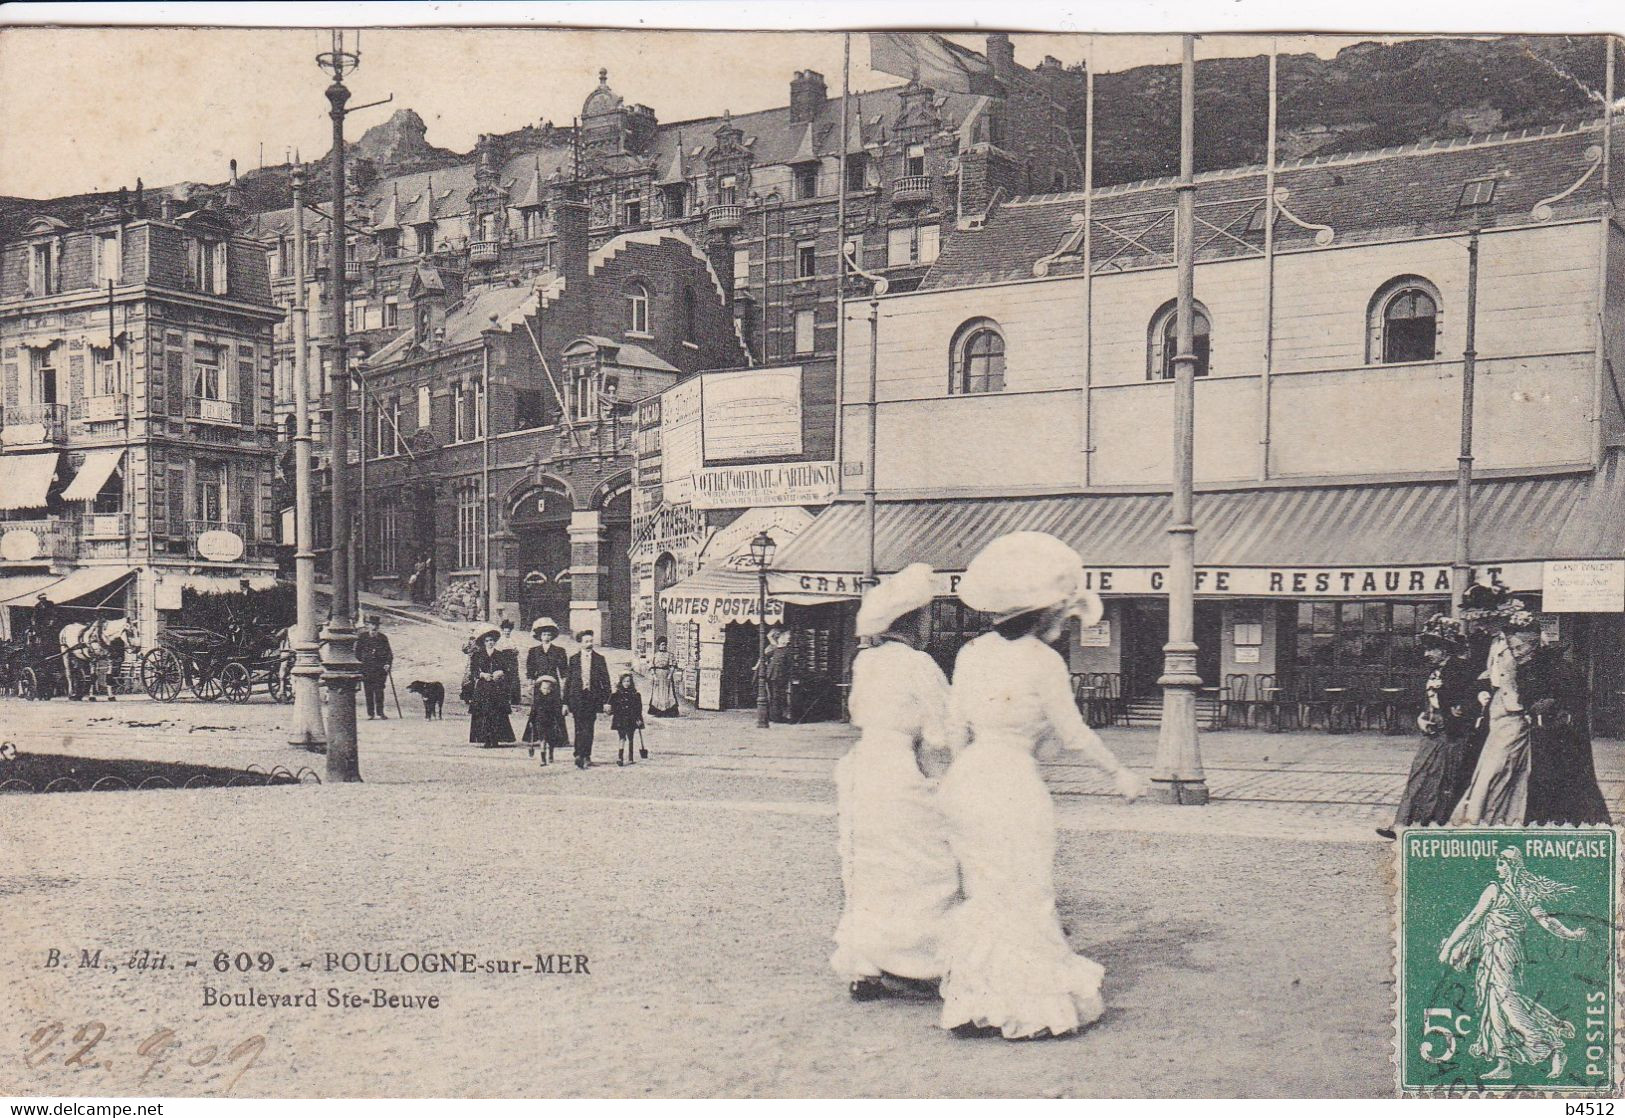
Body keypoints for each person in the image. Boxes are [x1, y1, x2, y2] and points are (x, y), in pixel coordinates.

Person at [937, 531, 1146, 1041]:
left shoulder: (971, 654)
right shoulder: (1043, 661)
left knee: (985, 890)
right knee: (1026, 888)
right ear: (1046, 613)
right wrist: (1117, 772)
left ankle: (976, 1001)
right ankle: (1030, 1005)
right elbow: (1073, 734)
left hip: (969, 780)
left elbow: (955, 729)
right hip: (1012, 782)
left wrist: (960, 780)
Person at [831, 562, 962, 1003]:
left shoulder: (865, 661)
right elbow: (941, 731)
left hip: (864, 768)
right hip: (905, 767)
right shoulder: (920, 665)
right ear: (917, 621)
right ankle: (922, 962)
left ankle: (866, 966)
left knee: (870, 867)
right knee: (924, 864)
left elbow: (856, 712)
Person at [1438, 847, 1586, 1080]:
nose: (1498, 868)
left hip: (1506, 952)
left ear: (1512, 865)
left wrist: (1570, 934)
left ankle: (1552, 1045)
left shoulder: (1505, 891)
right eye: (1498, 864)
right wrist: (1570, 934)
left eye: (1501, 863)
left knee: (1507, 1003)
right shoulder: (1504, 890)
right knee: (1494, 1005)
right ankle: (1503, 1062)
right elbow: (1472, 921)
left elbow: (1544, 921)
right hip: (1492, 952)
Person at [1378, 614, 1483, 838]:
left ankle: (1430, 825)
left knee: (1444, 778)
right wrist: (1422, 718)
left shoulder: (1462, 670)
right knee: (1419, 775)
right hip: (1431, 731)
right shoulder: (1435, 671)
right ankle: (1403, 824)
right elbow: (1428, 700)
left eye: (1432, 648)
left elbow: (1469, 701)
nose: (1427, 654)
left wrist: (1457, 713)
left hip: (1452, 733)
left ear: (1446, 648)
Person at [1453, 602, 1537, 825]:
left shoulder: (1521, 641)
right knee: (1490, 764)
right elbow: (1490, 673)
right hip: (1496, 708)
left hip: (1517, 710)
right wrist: (1482, 691)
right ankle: (1483, 815)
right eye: (1478, 622)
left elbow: (1533, 673)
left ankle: (1495, 815)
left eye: (1485, 621)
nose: (1481, 626)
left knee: (1502, 764)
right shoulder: (1494, 643)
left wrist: (1528, 703)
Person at [1518, 636, 1612, 825]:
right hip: (1549, 732)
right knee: (1552, 777)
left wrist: (1554, 706)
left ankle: (1559, 819)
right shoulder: (1533, 670)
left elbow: (1576, 699)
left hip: (1564, 733)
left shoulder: (1560, 670)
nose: (1519, 653)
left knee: (1561, 777)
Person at [565, 629, 612, 769]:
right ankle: (578, 754)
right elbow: (569, 681)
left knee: (589, 727)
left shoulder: (599, 659)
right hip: (577, 698)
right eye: (586, 641)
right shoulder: (573, 659)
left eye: (591, 641)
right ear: (580, 643)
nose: (589, 644)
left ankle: (587, 755)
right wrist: (565, 702)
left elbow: (606, 681)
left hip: (592, 698)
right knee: (578, 726)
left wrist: (607, 701)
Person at [466, 625, 516, 748]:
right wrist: (482, 674)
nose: (490, 643)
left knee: (496, 712)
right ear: (484, 642)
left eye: (492, 640)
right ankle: (485, 739)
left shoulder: (500, 655)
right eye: (487, 641)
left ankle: (496, 739)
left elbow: (507, 670)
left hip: (497, 687)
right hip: (483, 687)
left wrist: (500, 673)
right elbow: (473, 671)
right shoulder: (478, 655)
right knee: (484, 712)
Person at [356, 615, 394, 720]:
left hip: (380, 669)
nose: (374, 628)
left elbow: (389, 653)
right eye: (372, 625)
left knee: (379, 691)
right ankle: (370, 713)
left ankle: (380, 712)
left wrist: (387, 663)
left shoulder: (383, 638)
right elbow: (357, 652)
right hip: (366, 669)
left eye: (376, 625)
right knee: (368, 692)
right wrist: (360, 663)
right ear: (368, 625)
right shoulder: (362, 637)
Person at [526, 676, 567, 765]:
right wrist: (531, 721)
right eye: (543, 688)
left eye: (547, 688)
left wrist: (558, 721)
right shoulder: (537, 699)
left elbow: (557, 712)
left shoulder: (555, 700)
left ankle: (551, 754)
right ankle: (543, 759)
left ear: (551, 689)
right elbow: (534, 711)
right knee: (543, 740)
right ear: (540, 688)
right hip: (540, 722)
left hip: (551, 722)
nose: (545, 690)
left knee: (551, 740)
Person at [609, 672, 646, 766]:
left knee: (631, 737)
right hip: (620, 719)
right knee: (621, 737)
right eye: (624, 681)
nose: (626, 683)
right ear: (621, 682)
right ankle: (620, 757)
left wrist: (638, 719)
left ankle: (630, 757)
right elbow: (611, 707)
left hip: (631, 719)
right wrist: (609, 710)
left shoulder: (636, 695)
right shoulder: (616, 695)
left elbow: (638, 708)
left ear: (631, 682)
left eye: (628, 681)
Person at [645, 636, 680, 718]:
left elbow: (672, 666)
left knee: (668, 692)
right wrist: (654, 676)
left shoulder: (670, 655)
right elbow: (651, 666)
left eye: (665, 645)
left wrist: (670, 676)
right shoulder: (655, 655)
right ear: (659, 646)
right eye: (662, 645)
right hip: (658, 675)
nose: (663, 646)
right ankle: (658, 710)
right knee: (657, 693)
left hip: (666, 675)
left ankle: (668, 711)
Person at [494, 619, 522, 707]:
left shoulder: (513, 640)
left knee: (514, 678)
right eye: (505, 631)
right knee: (504, 678)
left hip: (513, 660)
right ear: (502, 631)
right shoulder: (499, 640)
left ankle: (514, 699)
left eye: (508, 631)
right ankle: (503, 697)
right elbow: (498, 651)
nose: (507, 633)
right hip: (503, 659)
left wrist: (515, 652)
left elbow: (517, 650)